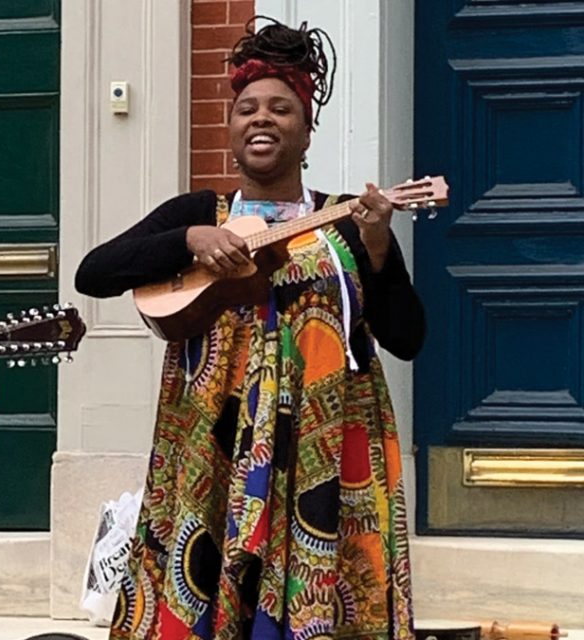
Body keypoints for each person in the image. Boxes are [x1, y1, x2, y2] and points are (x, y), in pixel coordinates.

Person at [75, 18, 424, 640]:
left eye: (281, 108)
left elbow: (408, 336)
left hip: (325, 451)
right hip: (213, 444)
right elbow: (93, 274)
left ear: (308, 126)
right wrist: (187, 240)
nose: (262, 119)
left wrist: (377, 249)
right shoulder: (196, 213)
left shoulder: (346, 220)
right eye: (247, 109)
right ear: (231, 129)